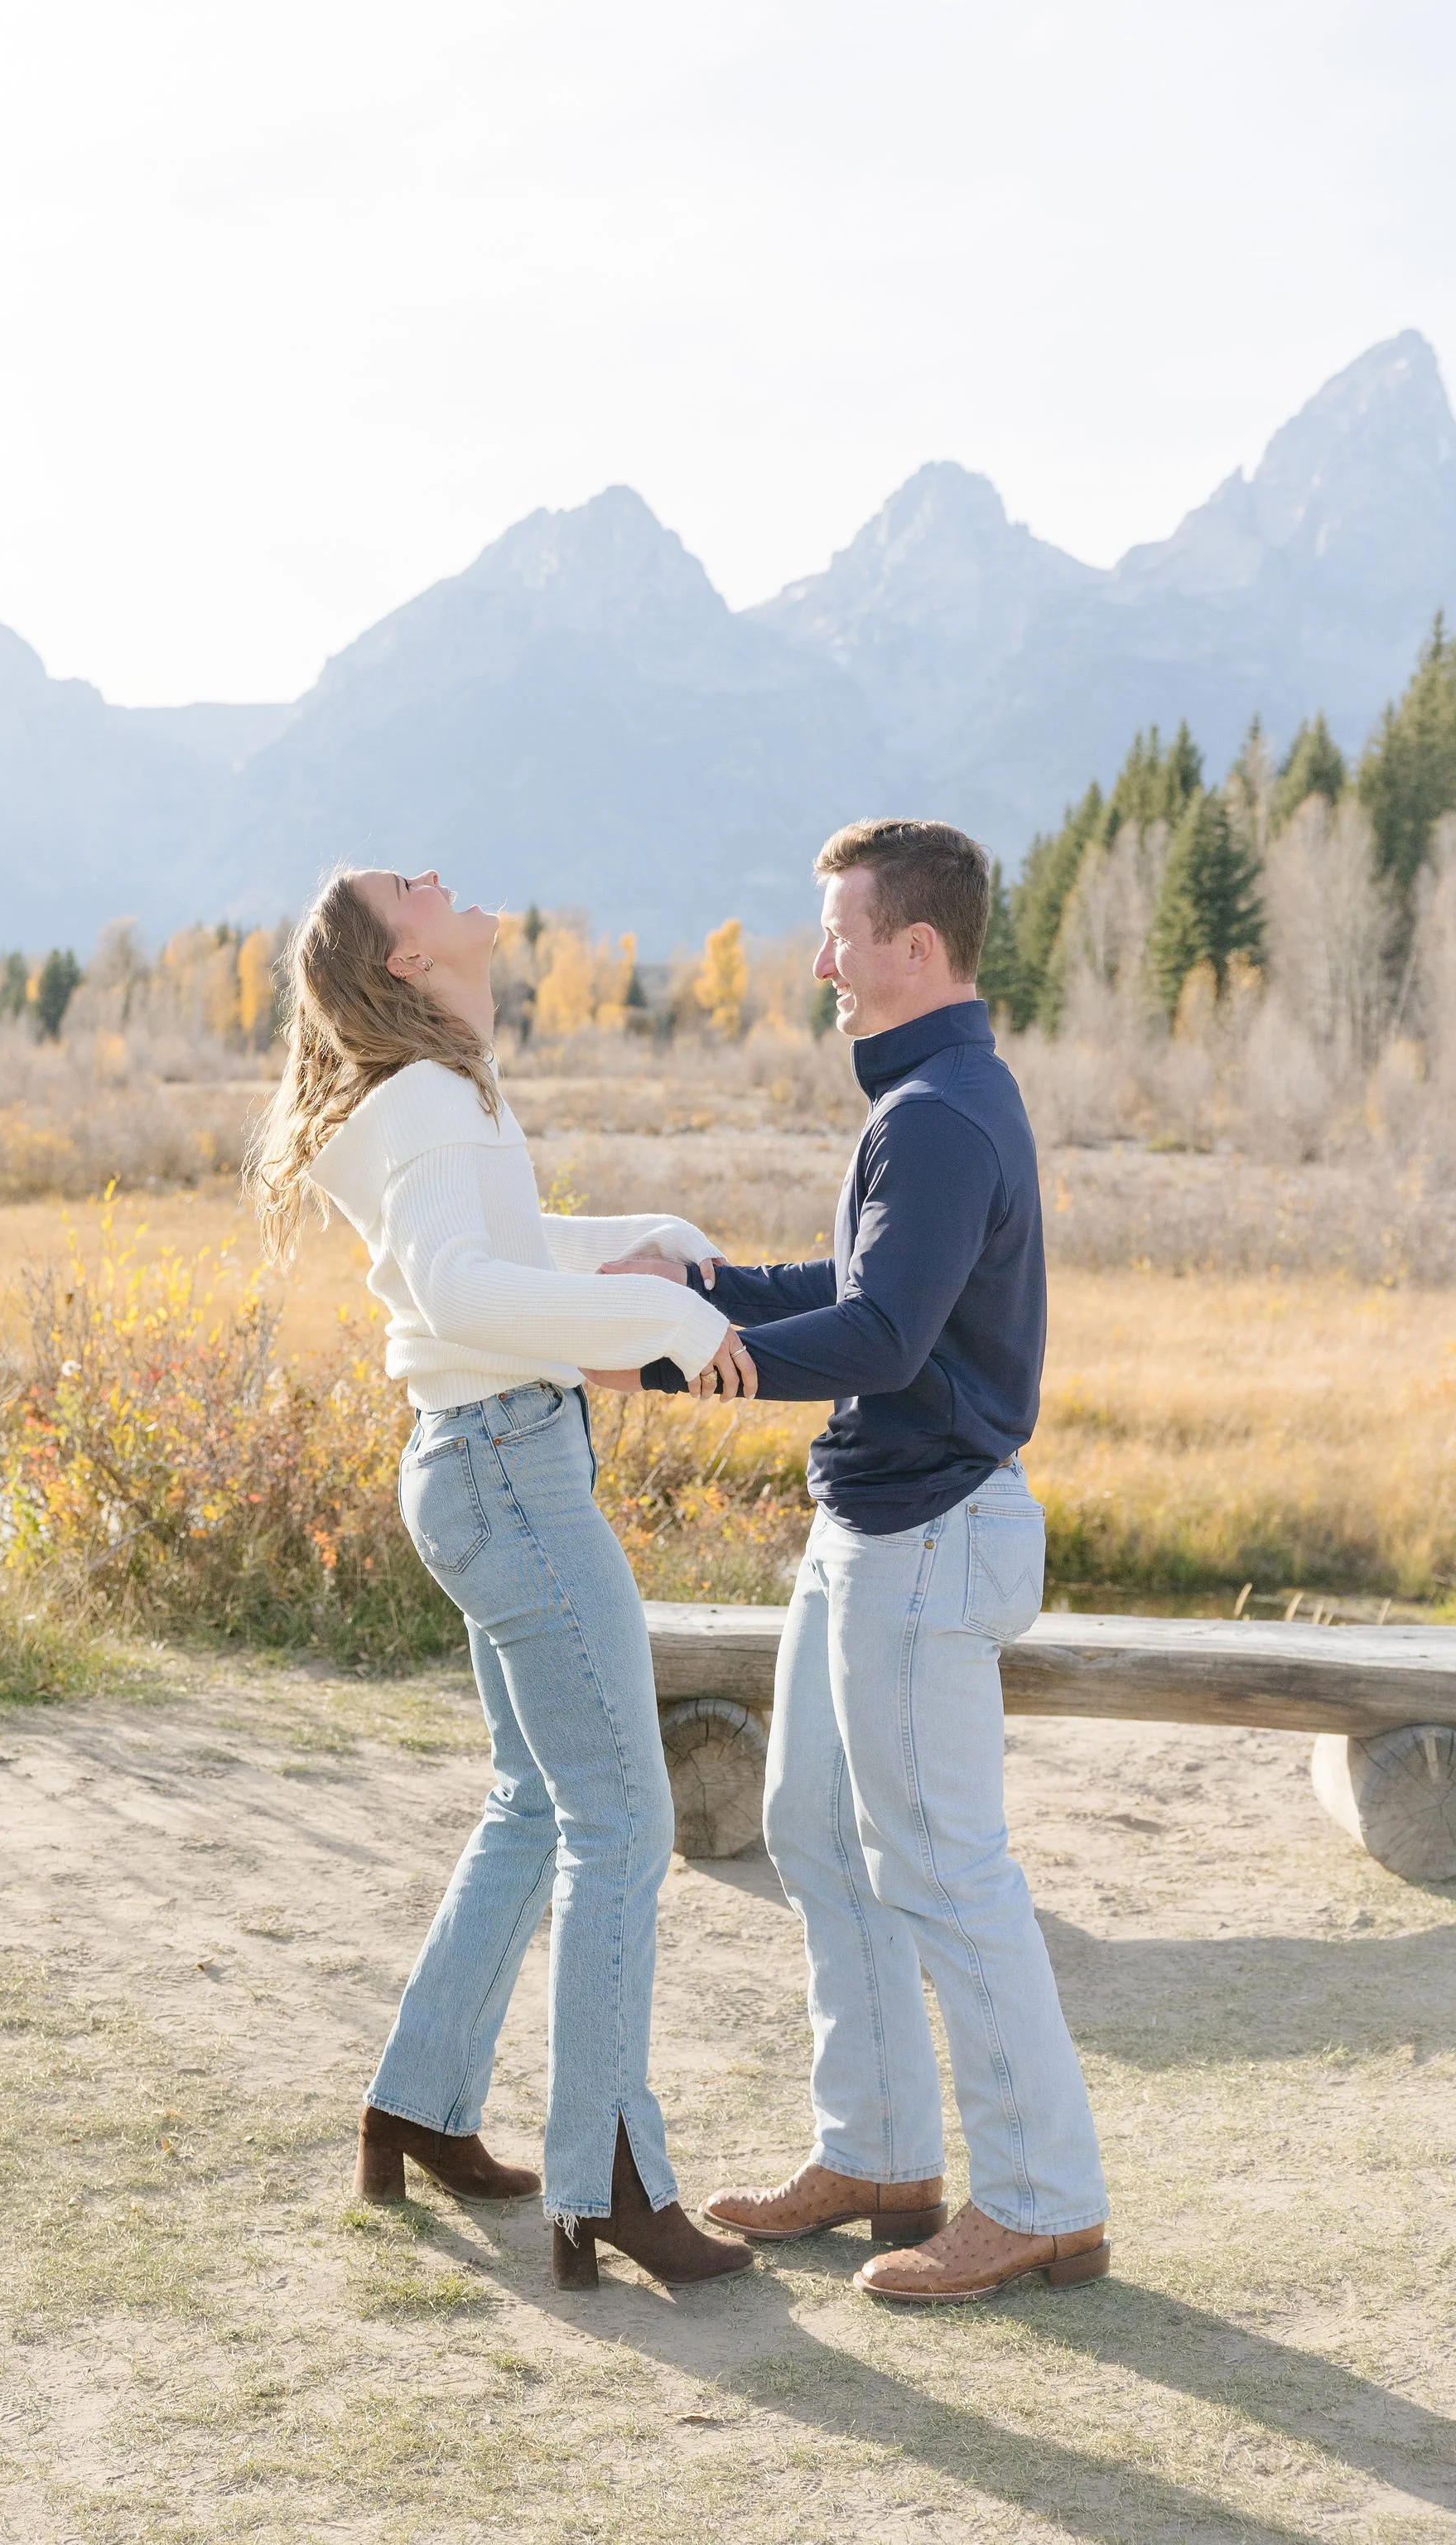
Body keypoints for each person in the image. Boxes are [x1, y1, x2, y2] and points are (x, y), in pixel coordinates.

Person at [600, 819, 1109, 2304]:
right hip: (867, 1530)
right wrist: (709, 1286)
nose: (819, 960)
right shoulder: (928, 1103)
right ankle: (880, 2154)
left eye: (840, 932)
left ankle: (1042, 2202)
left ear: (916, 948)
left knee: (945, 1869)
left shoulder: (941, 1114)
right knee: (816, 1830)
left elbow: (884, 1338)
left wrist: (684, 1362)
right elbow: (874, 1283)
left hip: (924, 1535)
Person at [248, 864, 755, 2291]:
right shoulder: (423, 1100)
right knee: (621, 1820)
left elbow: (495, 1259)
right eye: (414, 886)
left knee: (540, 1803)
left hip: (487, 1462)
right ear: (408, 960)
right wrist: (657, 1312)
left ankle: (417, 2106)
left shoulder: (440, 1088)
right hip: (506, 1472)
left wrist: (640, 1241)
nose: (445, 881)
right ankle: (607, 2182)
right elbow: (468, 1295)